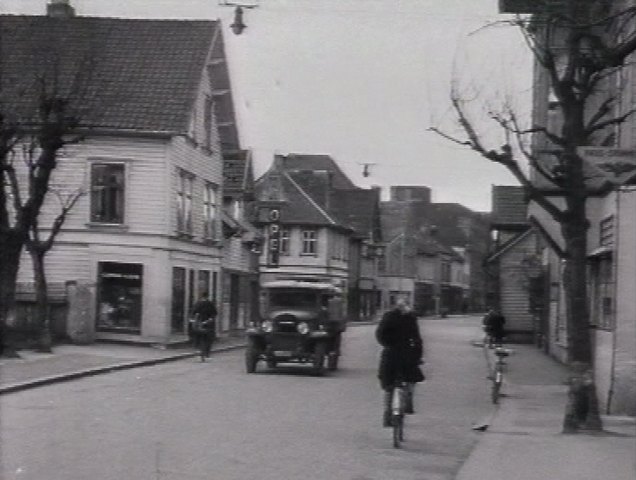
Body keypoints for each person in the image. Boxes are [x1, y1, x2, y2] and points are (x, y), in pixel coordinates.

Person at [376, 297, 424, 427]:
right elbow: (417, 339)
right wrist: (418, 356)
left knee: (387, 384)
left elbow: (379, 335)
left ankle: (387, 413)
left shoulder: (388, 316)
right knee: (412, 378)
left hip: (390, 355)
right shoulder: (411, 318)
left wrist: (388, 345)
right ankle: (408, 402)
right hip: (407, 355)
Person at [190, 293, 218, 360]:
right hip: (208, 324)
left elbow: (193, 313)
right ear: (208, 296)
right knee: (208, 340)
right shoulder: (210, 304)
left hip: (199, 324)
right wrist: (209, 320)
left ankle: (199, 354)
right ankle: (207, 355)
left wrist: (193, 321)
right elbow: (214, 314)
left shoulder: (197, 303)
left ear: (201, 296)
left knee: (199, 339)